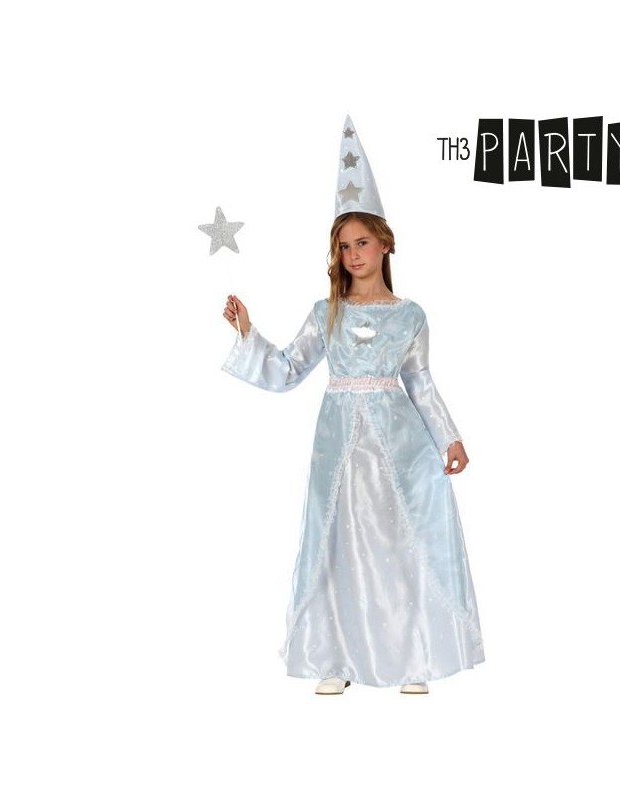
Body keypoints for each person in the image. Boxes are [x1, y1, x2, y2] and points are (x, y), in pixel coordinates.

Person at [220, 117, 484, 695]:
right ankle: (333, 656)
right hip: (338, 449)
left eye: (362, 242)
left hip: (399, 450)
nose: (352, 253)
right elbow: (287, 369)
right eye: (343, 246)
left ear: (385, 244)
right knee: (336, 543)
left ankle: (413, 657)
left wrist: (450, 438)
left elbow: (420, 383)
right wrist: (247, 333)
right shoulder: (327, 314)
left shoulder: (410, 316)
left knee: (399, 541)